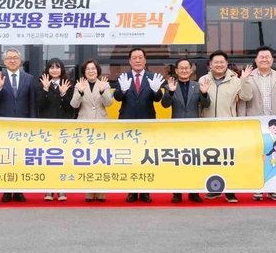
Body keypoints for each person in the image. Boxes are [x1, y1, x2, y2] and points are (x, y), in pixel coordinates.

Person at [237, 45, 276, 202]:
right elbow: (243, 100)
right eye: (261, 57)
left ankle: (273, 189)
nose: (264, 59)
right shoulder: (247, 76)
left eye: (267, 57)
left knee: (275, 156)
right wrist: (242, 121)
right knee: (257, 156)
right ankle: (258, 188)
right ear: (256, 60)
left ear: (272, 60)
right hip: (256, 125)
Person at [198, 50, 253, 203]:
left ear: (227, 64)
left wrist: (244, 80)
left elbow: (247, 96)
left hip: (228, 127)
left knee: (229, 159)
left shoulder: (235, 80)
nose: (219, 65)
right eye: (216, 62)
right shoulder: (203, 79)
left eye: (222, 62)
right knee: (211, 159)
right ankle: (214, 189)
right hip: (208, 127)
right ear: (210, 64)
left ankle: (230, 191)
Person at [114, 47, 164, 204]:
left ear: (145, 60)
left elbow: (158, 99)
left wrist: (156, 91)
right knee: (131, 157)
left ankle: (145, 192)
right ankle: (132, 191)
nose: (137, 60)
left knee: (145, 157)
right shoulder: (123, 77)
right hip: (127, 122)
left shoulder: (152, 77)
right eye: (134, 58)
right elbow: (117, 97)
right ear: (129, 61)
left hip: (147, 122)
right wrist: (122, 90)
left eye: (140, 57)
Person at [0, 48, 36, 203]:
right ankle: (7, 190)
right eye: (9, 58)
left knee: (20, 157)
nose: (12, 60)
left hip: (23, 124)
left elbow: (32, 103)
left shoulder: (29, 79)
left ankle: (19, 190)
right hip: (4, 125)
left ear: (20, 61)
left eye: (15, 57)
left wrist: (33, 123)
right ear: (4, 61)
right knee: (7, 157)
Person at [162, 58, 210, 204]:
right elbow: (164, 104)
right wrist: (170, 93)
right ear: (176, 71)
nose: (184, 70)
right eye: (181, 68)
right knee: (176, 162)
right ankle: (177, 193)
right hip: (176, 131)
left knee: (194, 162)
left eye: (186, 68)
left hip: (193, 131)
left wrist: (204, 94)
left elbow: (206, 104)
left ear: (191, 70)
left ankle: (194, 192)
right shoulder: (170, 86)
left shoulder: (198, 86)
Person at [70, 59, 112, 202]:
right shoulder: (79, 85)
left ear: (98, 70)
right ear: (84, 72)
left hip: (101, 124)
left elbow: (109, 103)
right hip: (85, 125)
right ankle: (88, 192)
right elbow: (74, 104)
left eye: (93, 68)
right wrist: (80, 92)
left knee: (101, 159)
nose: (91, 71)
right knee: (88, 159)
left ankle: (101, 192)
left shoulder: (104, 84)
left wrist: (103, 91)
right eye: (88, 69)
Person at [37, 58, 74, 202]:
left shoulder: (68, 84)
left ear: (61, 69)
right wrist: (45, 90)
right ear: (47, 69)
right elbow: (39, 105)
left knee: (62, 158)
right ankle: (49, 189)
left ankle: (62, 189)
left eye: (57, 67)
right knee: (49, 158)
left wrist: (64, 94)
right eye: (51, 67)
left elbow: (71, 107)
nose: (54, 70)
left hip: (63, 127)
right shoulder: (41, 84)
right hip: (47, 127)